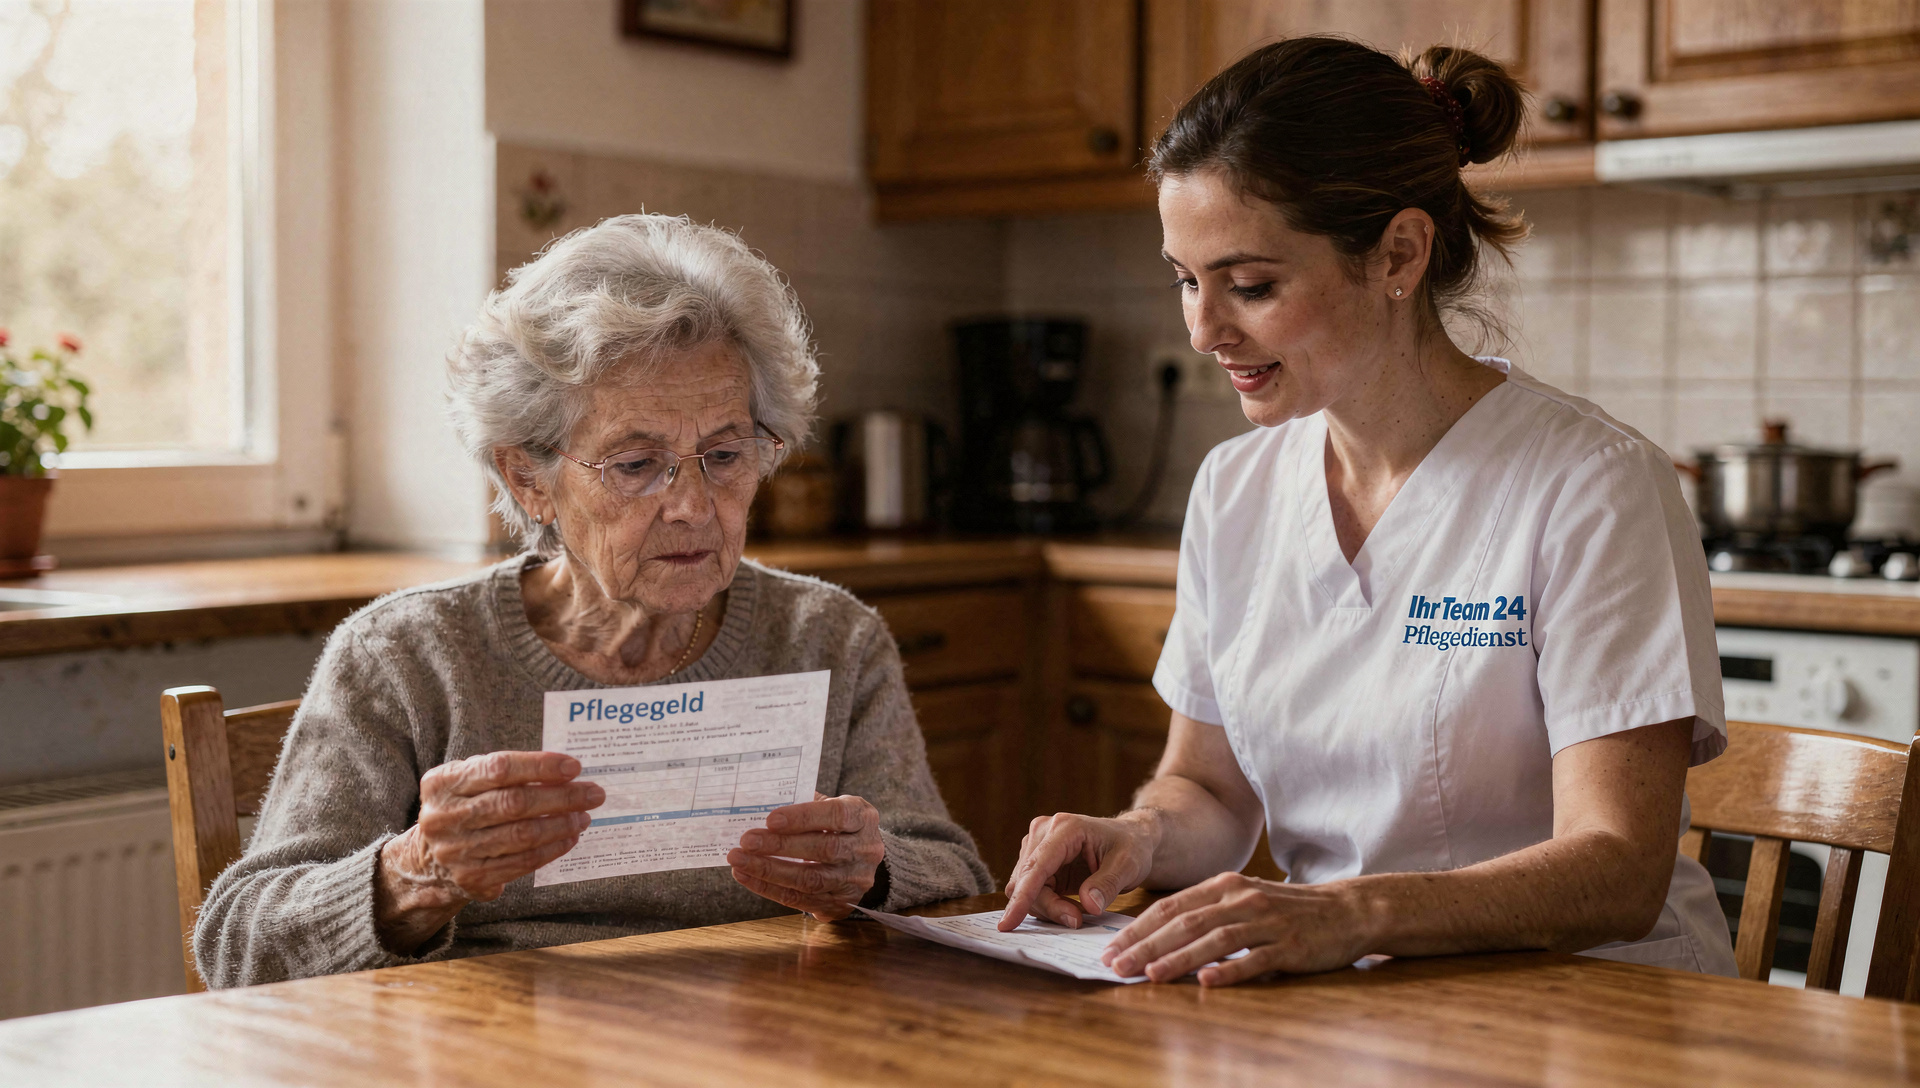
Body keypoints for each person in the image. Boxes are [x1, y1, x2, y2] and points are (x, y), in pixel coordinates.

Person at [1001, 37, 1737, 985]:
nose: (1202, 328)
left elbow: (1619, 869)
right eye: (1186, 279)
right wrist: (1138, 834)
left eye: (1251, 285)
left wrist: (1349, 913)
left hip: (1596, 1008)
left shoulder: (1592, 484)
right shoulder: (1234, 490)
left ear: (1398, 253)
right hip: (1359, 1009)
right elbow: (1211, 792)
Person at [196, 214, 992, 987]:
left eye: (723, 454)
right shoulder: (407, 657)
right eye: (637, 463)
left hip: (766, 1043)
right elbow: (239, 942)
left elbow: (957, 874)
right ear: (528, 478)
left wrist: (875, 871)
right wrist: (415, 875)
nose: (692, 504)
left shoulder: (830, 638)